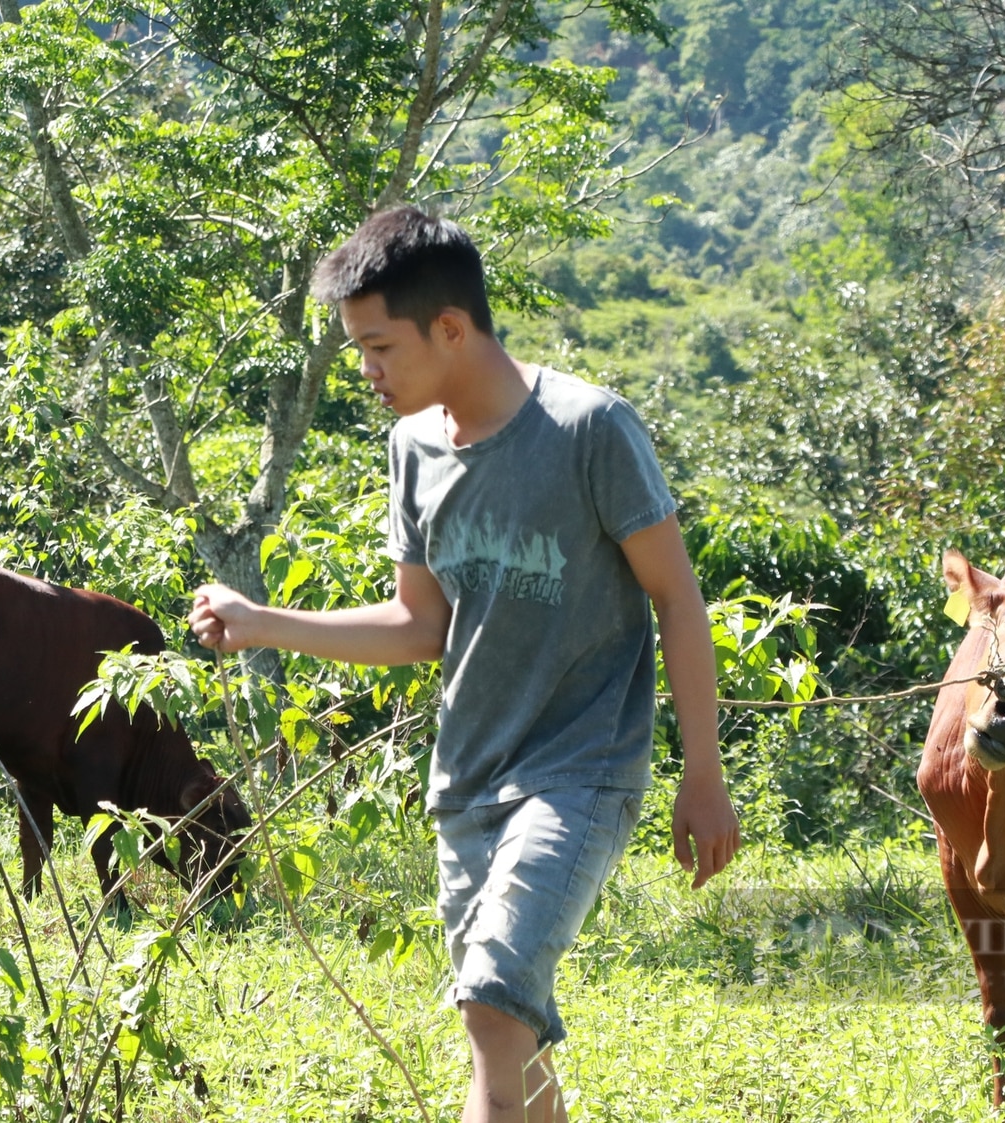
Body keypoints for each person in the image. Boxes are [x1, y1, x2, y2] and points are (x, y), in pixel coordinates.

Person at [188, 206, 740, 1123]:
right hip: (467, 783)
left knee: (489, 1001)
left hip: (581, 773)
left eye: (378, 347)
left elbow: (678, 600)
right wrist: (263, 622)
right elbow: (417, 625)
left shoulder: (589, 429)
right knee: (510, 1041)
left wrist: (705, 774)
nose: (365, 372)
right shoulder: (413, 448)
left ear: (450, 327)